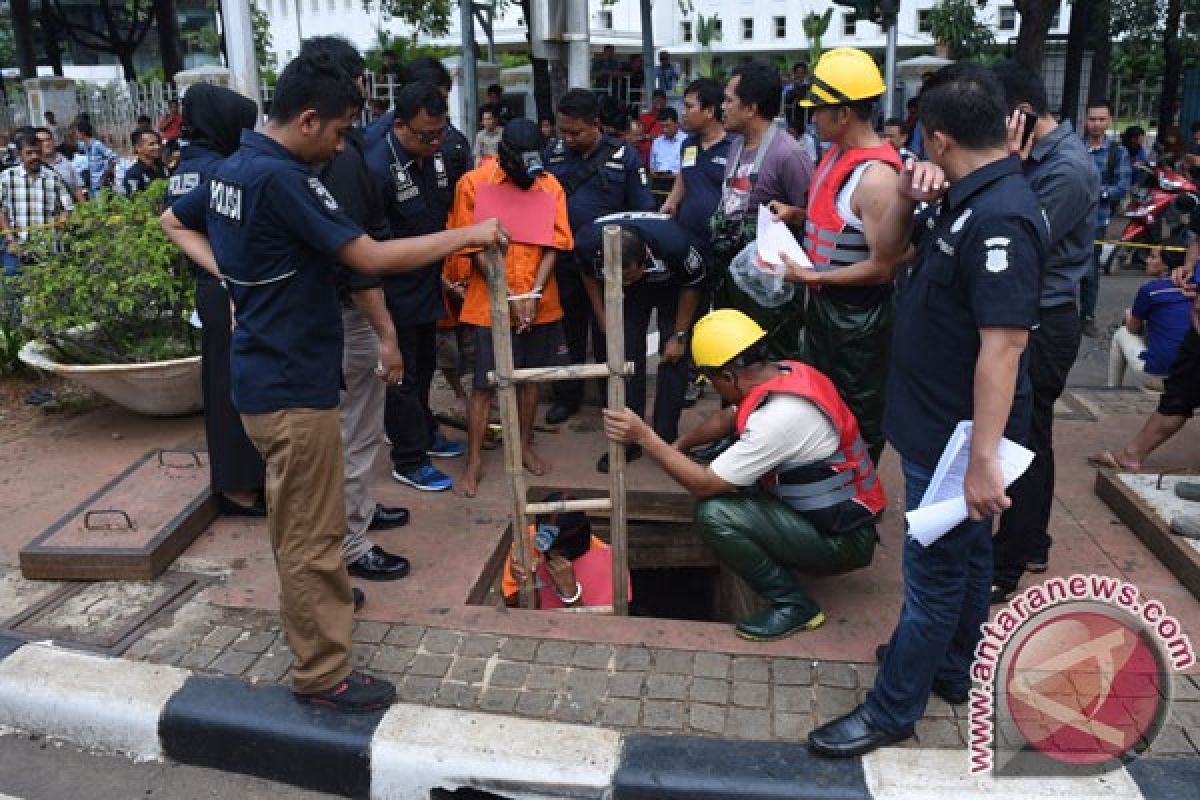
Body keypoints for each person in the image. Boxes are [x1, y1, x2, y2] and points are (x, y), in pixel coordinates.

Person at [161, 50, 508, 712]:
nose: (347, 142)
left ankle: (323, 608)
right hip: (289, 386)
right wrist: (469, 234)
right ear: (311, 119)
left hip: (273, 374)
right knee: (311, 534)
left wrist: (236, 279)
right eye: (345, 129)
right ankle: (323, 672)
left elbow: (174, 220)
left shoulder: (236, 165)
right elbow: (369, 256)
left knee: (304, 521)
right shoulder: (282, 178)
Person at [807, 63, 1047, 758]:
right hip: (938, 423)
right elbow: (904, 253)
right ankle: (951, 669)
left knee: (934, 577)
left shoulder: (1001, 214)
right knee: (968, 560)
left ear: (940, 138)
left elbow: (1003, 348)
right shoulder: (971, 194)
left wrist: (980, 462)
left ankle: (891, 711)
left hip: (960, 435)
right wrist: (919, 193)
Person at [603, 309, 881, 640]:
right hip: (839, 514)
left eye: (714, 380)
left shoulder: (778, 418)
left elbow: (704, 485)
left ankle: (794, 604)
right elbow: (726, 420)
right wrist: (679, 445)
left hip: (844, 539)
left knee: (715, 513)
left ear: (729, 376)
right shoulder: (788, 372)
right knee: (728, 467)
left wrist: (645, 437)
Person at [987, 61, 1099, 603]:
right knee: (1031, 438)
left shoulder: (1067, 170)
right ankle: (1031, 542)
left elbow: (1021, 237)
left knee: (1024, 442)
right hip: (1032, 313)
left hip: (1047, 320)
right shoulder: (1040, 159)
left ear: (1023, 116)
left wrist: (1007, 169)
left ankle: (1006, 566)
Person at [305, 35, 412, 581]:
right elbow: (360, 261)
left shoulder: (291, 156)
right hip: (350, 315)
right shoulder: (339, 159)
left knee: (356, 432)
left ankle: (360, 513)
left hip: (327, 315)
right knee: (356, 433)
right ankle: (351, 543)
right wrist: (386, 336)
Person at [782, 48, 904, 466]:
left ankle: (859, 506)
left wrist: (812, 277)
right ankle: (832, 486)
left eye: (818, 110)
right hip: (826, 308)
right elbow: (840, 224)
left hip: (857, 318)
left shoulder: (876, 177)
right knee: (823, 405)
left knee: (858, 412)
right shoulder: (836, 155)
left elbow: (883, 265)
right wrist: (796, 214)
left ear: (844, 113)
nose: (812, 117)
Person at [445, 118, 574, 497]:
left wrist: (531, 296)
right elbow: (470, 246)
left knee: (529, 380)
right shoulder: (474, 184)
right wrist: (507, 297)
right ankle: (473, 460)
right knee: (485, 383)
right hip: (491, 302)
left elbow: (555, 244)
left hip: (539, 301)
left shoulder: (549, 185)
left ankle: (524, 445)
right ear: (505, 158)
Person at [167, 83, 267, 518]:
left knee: (224, 383)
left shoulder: (188, 164)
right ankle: (238, 488)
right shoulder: (219, 169)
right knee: (234, 388)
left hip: (210, 287)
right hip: (226, 286)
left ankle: (241, 480)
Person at [367, 81, 467, 494]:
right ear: (401, 126)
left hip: (427, 286)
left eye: (441, 132)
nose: (436, 142)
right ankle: (409, 459)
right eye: (427, 135)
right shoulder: (376, 168)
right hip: (393, 294)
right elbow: (373, 250)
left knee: (425, 369)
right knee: (401, 379)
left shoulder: (432, 156)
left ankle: (424, 432)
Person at [543, 88, 655, 427]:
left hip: (610, 266)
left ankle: (615, 403)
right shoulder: (555, 153)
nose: (569, 138)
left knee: (611, 335)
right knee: (568, 335)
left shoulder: (625, 156)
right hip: (563, 262)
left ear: (596, 125)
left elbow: (644, 211)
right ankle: (568, 397)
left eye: (576, 132)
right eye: (563, 130)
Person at [574, 212, 706, 470]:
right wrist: (602, 317)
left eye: (631, 275)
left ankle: (665, 441)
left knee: (673, 358)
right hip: (629, 299)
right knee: (624, 359)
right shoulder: (588, 243)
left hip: (672, 289)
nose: (627, 281)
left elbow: (693, 285)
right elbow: (587, 275)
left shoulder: (674, 244)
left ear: (645, 258)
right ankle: (628, 440)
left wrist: (679, 336)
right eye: (621, 276)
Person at [710, 61, 814, 360]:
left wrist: (793, 213)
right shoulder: (734, 147)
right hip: (732, 280)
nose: (723, 107)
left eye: (729, 100)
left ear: (751, 108)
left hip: (771, 294)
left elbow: (815, 216)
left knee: (772, 363)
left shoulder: (788, 154)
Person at [502, 492, 627, 609]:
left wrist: (572, 596)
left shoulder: (608, 562)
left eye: (559, 549)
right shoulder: (526, 544)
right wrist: (527, 585)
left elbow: (601, 629)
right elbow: (516, 612)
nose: (552, 554)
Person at [364, 57, 471, 192]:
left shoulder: (455, 142)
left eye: (443, 99)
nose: (436, 106)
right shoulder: (374, 143)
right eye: (427, 135)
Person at [660, 78, 732, 259]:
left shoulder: (735, 147)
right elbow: (684, 176)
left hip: (721, 245)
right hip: (688, 241)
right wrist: (671, 202)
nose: (684, 114)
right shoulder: (688, 145)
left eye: (689, 107)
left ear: (709, 111)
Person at [1107, 242, 1192, 389]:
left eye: (1153, 257)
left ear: (1166, 265)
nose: (1147, 260)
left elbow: (1133, 329)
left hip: (1160, 377)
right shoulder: (1194, 289)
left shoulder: (1151, 290)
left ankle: (1112, 389)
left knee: (1121, 334)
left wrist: (1128, 315)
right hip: (1192, 377)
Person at [1083, 100, 1131, 326]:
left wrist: (1094, 192)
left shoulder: (1117, 153)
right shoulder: (1074, 147)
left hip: (1097, 220)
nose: (1096, 124)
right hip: (1068, 219)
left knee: (1091, 269)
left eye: (1101, 119)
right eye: (1092, 119)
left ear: (1109, 120)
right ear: (1085, 120)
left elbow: (1120, 188)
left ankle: (1087, 315)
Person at [0, 129, 73, 275]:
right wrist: (10, 238)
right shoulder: (7, 177)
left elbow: (67, 207)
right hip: (17, 249)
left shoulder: (53, 177)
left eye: (37, 152)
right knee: (16, 291)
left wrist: (63, 221)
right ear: (19, 155)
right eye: (29, 153)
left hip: (49, 249)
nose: (34, 157)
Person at [35, 127, 84, 204]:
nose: (46, 143)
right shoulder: (34, 167)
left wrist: (84, 209)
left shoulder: (66, 162)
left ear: (53, 141)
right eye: (41, 141)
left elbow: (78, 189)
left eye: (48, 139)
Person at [76, 119, 116, 195]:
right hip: (91, 185)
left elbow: (113, 158)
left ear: (83, 133)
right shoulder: (84, 145)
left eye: (77, 132)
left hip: (100, 185)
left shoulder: (97, 145)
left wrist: (105, 176)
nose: (76, 135)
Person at [648, 107, 684, 192]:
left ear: (677, 124)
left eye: (668, 126)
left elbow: (690, 171)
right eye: (662, 126)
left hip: (679, 185)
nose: (665, 130)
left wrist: (671, 175)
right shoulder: (657, 142)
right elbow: (652, 167)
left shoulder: (687, 141)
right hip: (658, 185)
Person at [122, 129, 168, 195]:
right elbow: (135, 201)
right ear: (138, 148)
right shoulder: (133, 175)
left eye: (158, 143)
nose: (157, 147)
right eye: (151, 144)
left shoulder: (163, 167)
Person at [636, 90, 667, 165]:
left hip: (663, 158)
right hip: (645, 158)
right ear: (652, 100)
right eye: (656, 98)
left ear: (665, 101)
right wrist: (649, 136)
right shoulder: (644, 117)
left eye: (661, 99)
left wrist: (659, 136)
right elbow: (637, 136)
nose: (659, 100)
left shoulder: (670, 118)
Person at [783, 62, 811, 135]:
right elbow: (785, 102)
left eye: (802, 73)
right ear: (794, 74)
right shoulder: (788, 88)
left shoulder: (809, 88)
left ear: (805, 74)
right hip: (791, 122)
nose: (800, 76)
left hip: (806, 123)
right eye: (798, 73)